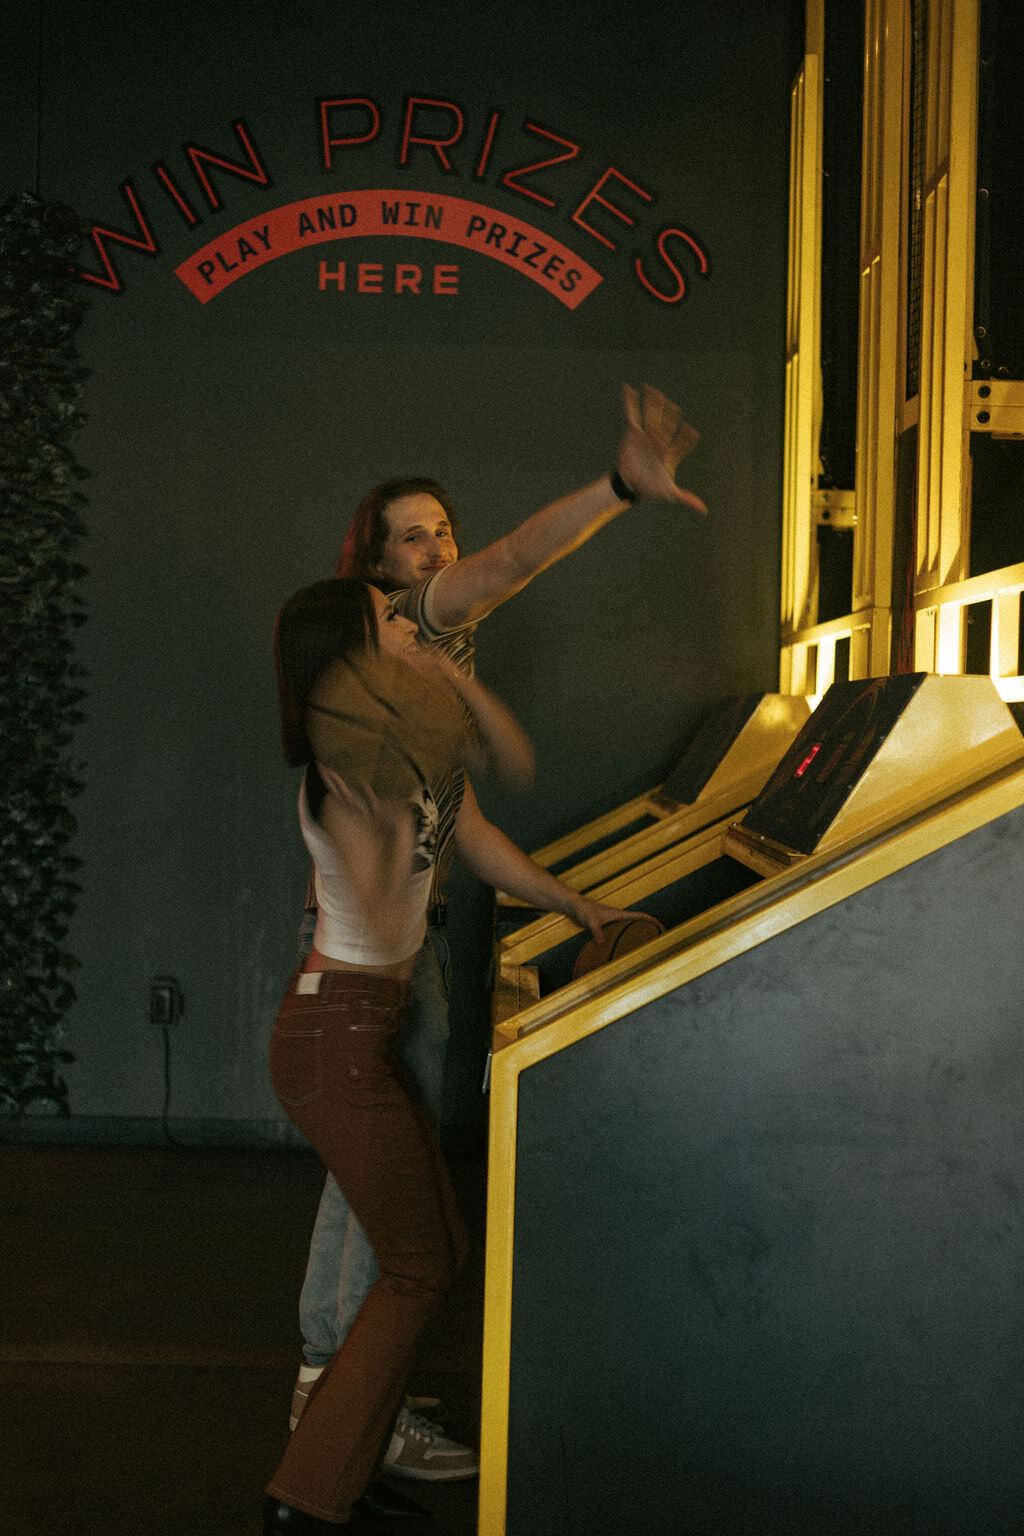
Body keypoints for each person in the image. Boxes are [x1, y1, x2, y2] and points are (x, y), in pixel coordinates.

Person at [290, 383, 707, 1483]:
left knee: (370, 1183)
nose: (437, 551)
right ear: (377, 565)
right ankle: (340, 1404)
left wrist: (573, 905)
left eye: (443, 532)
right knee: (393, 1200)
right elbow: (516, 559)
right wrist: (621, 486)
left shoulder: (417, 669)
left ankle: (337, 1394)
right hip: (360, 982)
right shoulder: (421, 629)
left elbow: (467, 827)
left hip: (387, 966)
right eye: (411, 538)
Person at [265, 578, 629, 1532]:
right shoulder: (346, 770)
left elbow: (509, 765)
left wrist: (577, 906)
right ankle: (307, 1493)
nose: (408, 621)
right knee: (419, 1264)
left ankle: (340, 1463)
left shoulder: (393, 747)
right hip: (334, 1037)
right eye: (389, 618)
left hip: (355, 1034)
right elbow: (387, 905)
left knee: (431, 1255)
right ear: (350, 651)